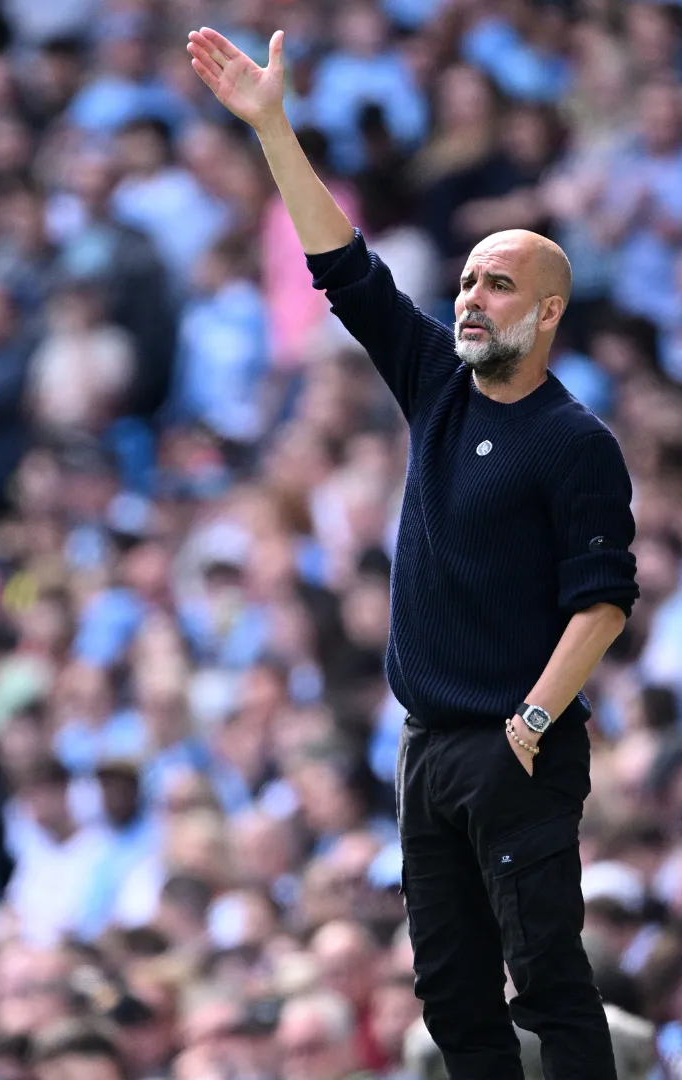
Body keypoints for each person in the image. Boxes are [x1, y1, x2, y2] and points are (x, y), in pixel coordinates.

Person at [188, 26, 637, 1080]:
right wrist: (272, 130)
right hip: (427, 745)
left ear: (550, 313)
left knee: (548, 976)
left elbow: (605, 600)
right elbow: (345, 271)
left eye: (498, 286)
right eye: (470, 280)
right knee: (449, 992)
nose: (471, 298)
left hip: (512, 743)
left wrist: (532, 719)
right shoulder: (437, 379)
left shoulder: (577, 442)